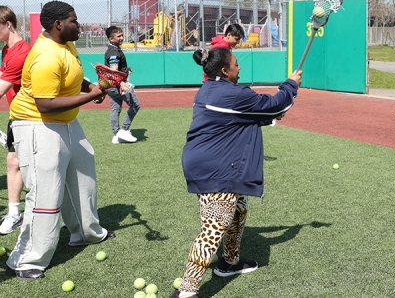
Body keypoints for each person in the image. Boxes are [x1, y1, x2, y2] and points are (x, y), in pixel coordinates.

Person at [172, 47, 302, 298]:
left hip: (212, 162)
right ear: (224, 70)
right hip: (215, 168)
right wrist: (291, 85)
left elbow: (235, 118)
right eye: (236, 64)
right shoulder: (233, 94)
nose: (239, 68)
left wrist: (265, 117)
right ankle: (186, 291)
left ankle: (229, 263)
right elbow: (275, 104)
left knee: (238, 209)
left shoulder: (210, 89)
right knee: (212, 229)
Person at [5, 1, 114, 280]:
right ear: (58, 25)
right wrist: (93, 96)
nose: (79, 26)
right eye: (74, 21)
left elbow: (72, 76)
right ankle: (26, 259)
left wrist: (90, 86)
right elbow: (46, 104)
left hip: (66, 122)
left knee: (83, 176)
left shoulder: (66, 44)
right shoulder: (45, 56)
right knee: (45, 193)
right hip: (36, 125)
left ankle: (86, 233)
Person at [0, 6, 31, 235]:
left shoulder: (22, 52)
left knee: (35, 168)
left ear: (8, 24)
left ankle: (56, 215)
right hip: (16, 115)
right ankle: (14, 213)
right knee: (13, 161)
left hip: (30, 117)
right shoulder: (6, 50)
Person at [104, 25, 141, 144]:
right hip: (119, 84)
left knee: (115, 108)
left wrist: (126, 69)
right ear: (111, 39)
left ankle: (116, 135)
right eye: (118, 36)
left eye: (122, 35)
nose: (121, 38)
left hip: (110, 86)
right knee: (135, 104)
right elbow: (114, 70)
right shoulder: (114, 51)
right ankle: (124, 130)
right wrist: (121, 82)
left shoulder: (111, 49)